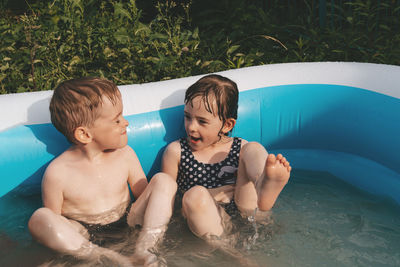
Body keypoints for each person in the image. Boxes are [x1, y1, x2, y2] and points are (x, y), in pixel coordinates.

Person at [28, 77, 177, 266]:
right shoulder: (58, 173)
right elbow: (54, 226)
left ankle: (146, 249)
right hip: (86, 239)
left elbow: (146, 198)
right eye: (116, 120)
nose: (126, 123)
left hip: (129, 222)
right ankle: (114, 260)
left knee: (164, 180)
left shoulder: (125, 155)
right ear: (84, 134)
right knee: (41, 218)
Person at [161, 74, 291, 240]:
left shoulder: (239, 147)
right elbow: (166, 198)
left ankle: (263, 183)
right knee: (195, 195)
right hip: (210, 221)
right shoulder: (177, 151)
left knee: (253, 148)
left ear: (227, 125)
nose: (191, 127)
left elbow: (248, 152)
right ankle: (230, 249)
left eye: (202, 121)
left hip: (247, 210)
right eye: (187, 117)